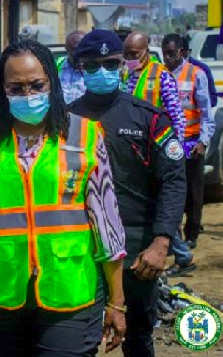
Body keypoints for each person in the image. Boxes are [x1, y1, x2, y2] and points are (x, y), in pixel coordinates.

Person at [0, 39, 127, 357]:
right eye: (16, 88)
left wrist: (116, 301)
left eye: (36, 85)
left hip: (71, 289)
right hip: (6, 292)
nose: (28, 95)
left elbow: (108, 227)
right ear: (3, 91)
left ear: (51, 83)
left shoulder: (85, 136)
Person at [70, 29, 186, 357]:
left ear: (122, 64)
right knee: (80, 337)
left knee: (137, 336)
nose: (102, 72)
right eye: (92, 66)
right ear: (80, 67)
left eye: (110, 64)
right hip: (81, 246)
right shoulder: (66, 120)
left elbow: (174, 181)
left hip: (137, 248)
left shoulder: (149, 118)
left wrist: (161, 242)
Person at [162, 33, 215, 251]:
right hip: (167, 143)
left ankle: (192, 233)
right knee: (171, 190)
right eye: (164, 53)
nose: (166, 58)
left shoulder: (196, 74)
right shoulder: (161, 74)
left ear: (182, 52)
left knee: (193, 190)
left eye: (171, 53)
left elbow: (205, 113)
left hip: (191, 142)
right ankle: (173, 234)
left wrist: (203, 141)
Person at [122, 32, 186, 139]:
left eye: (134, 54)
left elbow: (176, 116)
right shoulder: (127, 74)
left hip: (154, 140)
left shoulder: (161, 75)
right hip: (132, 140)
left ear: (146, 52)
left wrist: (176, 148)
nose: (130, 58)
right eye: (126, 54)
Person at [181, 37, 218, 108]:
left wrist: (192, 104)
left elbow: (213, 99)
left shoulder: (202, 69)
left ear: (187, 51)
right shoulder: (167, 70)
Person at [56, 30, 86, 104]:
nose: (79, 52)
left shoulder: (94, 69)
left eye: (82, 48)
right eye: (75, 49)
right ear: (67, 49)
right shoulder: (58, 65)